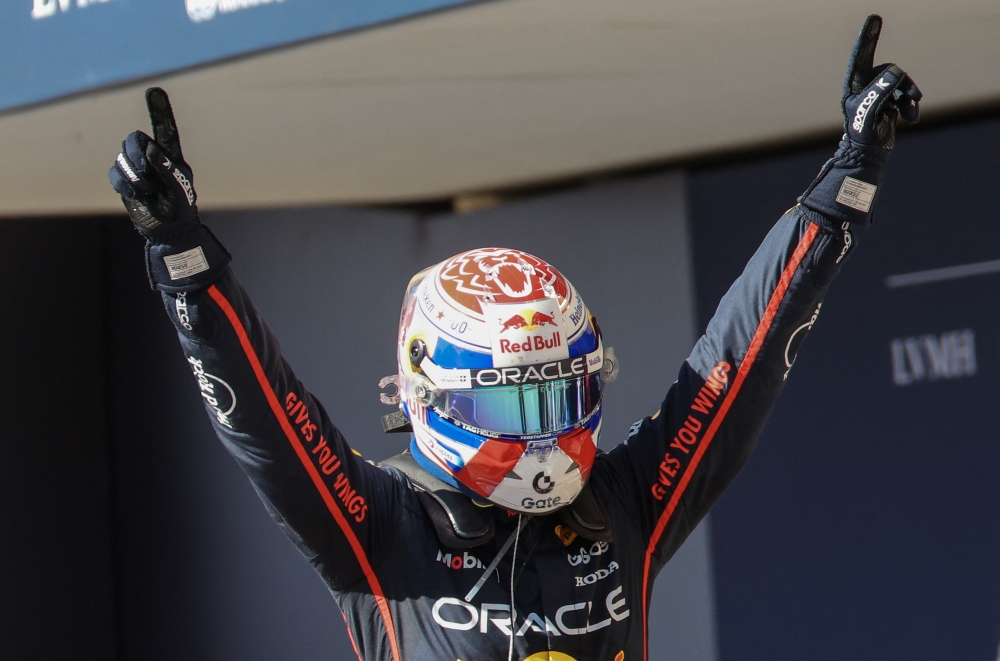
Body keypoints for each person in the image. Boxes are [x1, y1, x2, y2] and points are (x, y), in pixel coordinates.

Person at [108, 15, 920, 661]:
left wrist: (848, 178)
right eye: (517, 399)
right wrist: (183, 256)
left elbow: (738, 364)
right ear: (436, 396)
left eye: (562, 393)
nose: (542, 430)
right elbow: (265, 413)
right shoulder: (381, 526)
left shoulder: (624, 502)